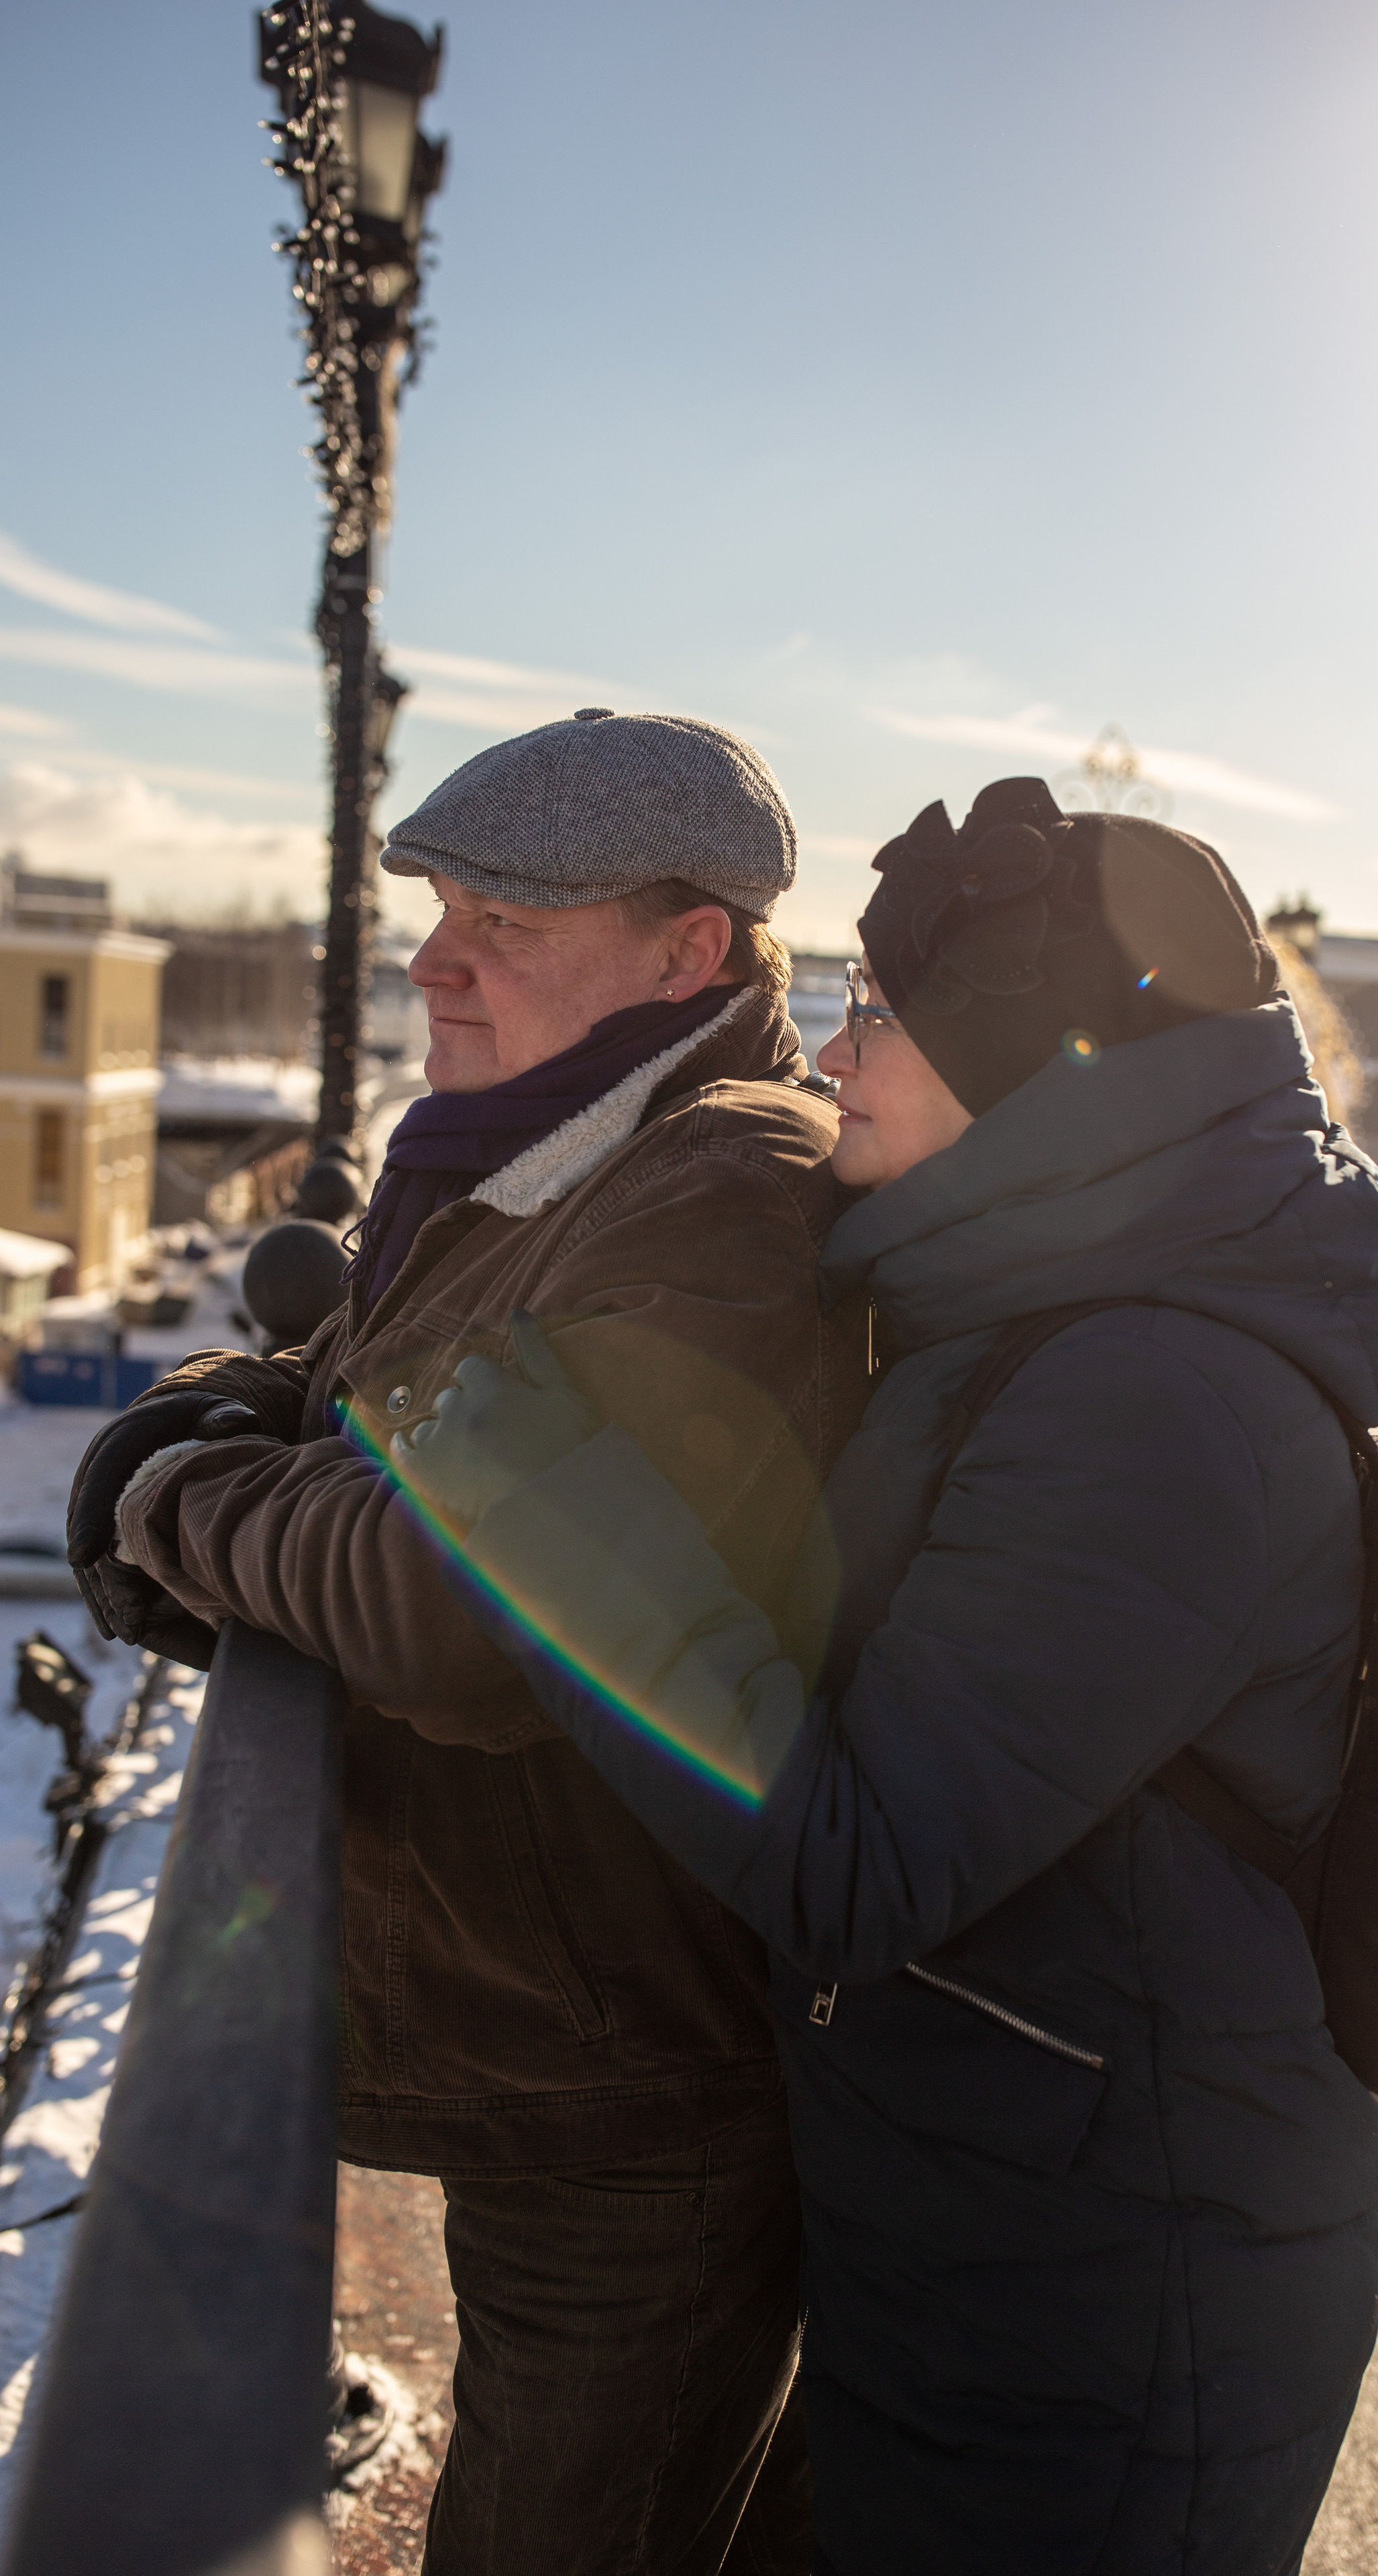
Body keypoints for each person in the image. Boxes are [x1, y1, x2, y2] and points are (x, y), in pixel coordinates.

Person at [384, 777, 1378, 2576]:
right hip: (987, 2213)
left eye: (883, 1017)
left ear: (1044, 1080)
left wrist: (547, 1516)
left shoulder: (1153, 1397)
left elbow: (860, 1860)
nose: (835, 1052)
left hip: (1104, 2302)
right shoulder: (1022, 1301)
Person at [73, 710, 869, 2575]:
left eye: (504, 920)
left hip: (639, 2101)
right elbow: (340, 1396)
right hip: (561, 2051)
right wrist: (198, 1429)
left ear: (692, 951)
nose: (434, 958)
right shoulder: (538, 1154)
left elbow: (458, 1607)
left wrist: (163, 1499)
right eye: (440, 906)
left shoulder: (724, 1190)